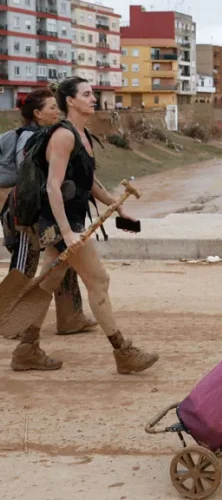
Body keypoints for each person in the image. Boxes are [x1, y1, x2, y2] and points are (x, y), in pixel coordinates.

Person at [9, 77, 159, 374]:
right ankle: (123, 352)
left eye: (93, 94)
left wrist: (116, 206)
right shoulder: (63, 136)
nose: (94, 98)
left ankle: (26, 349)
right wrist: (66, 232)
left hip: (70, 222)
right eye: (87, 94)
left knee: (48, 282)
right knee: (99, 281)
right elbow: (53, 187)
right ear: (71, 101)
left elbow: (87, 181)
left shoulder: (82, 134)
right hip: (60, 224)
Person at [1, 88, 98, 340]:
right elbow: (30, 180)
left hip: (43, 213)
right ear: (37, 113)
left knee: (62, 263)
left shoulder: (51, 134)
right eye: (52, 108)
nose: (57, 112)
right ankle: (10, 320)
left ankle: (70, 317)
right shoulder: (30, 138)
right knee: (24, 267)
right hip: (25, 215)